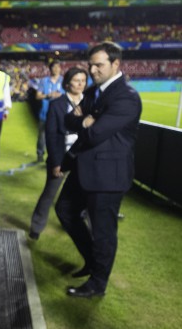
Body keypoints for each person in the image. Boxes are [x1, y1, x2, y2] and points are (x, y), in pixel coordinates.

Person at [56, 42, 142, 298]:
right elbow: (70, 120)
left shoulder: (127, 97)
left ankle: (98, 284)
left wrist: (86, 121)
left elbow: (95, 133)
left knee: (103, 231)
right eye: (91, 64)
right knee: (64, 210)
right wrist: (85, 118)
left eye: (99, 64)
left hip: (108, 177)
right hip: (85, 169)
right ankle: (93, 262)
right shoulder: (94, 92)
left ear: (116, 64)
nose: (92, 69)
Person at [29, 67, 88, 240]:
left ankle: (82, 224)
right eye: (76, 80)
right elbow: (52, 135)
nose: (80, 84)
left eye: (83, 80)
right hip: (63, 156)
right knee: (49, 193)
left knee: (87, 193)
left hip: (83, 156)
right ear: (67, 83)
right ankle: (36, 226)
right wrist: (56, 162)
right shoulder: (57, 104)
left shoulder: (89, 103)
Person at [35, 60, 63, 162]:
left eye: (58, 67)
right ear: (50, 69)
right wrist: (48, 95)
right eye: (54, 67)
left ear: (60, 68)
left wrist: (60, 96)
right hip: (45, 113)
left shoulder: (64, 81)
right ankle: (40, 154)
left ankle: (54, 156)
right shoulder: (44, 81)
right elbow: (37, 96)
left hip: (60, 114)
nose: (56, 69)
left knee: (58, 136)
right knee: (42, 136)